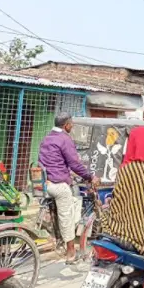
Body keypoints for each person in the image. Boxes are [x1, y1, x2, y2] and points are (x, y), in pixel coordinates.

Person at [101, 127, 144, 256]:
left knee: (104, 213)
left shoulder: (127, 170)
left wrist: (109, 204)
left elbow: (119, 202)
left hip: (128, 234)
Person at [38, 112, 99, 263]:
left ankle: (62, 238)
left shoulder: (47, 138)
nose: (72, 126)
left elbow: (53, 162)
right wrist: (90, 176)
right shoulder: (65, 139)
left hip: (47, 183)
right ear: (66, 125)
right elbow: (75, 164)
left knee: (73, 195)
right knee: (66, 215)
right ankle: (71, 251)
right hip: (58, 185)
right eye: (71, 123)